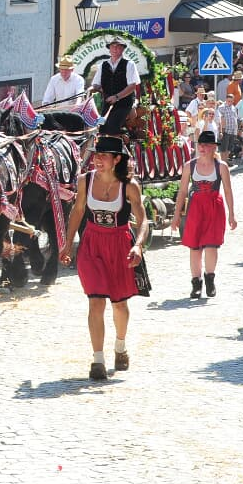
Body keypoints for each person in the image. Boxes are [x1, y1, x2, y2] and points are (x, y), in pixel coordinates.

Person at [59, 135, 149, 380]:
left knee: (119, 304)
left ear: (116, 159)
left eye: (103, 156)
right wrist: (67, 244)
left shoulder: (129, 186)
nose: (97, 160)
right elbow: (78, 211)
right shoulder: (84, 181)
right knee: (96, 301)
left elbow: (143, 221)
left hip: (120, 245)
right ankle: (97, 360)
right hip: (92, 245)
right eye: (96, 155)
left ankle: (120, 347)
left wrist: (138, 246)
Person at [170, 131, 237, 298]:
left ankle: (210, 279)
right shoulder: (189, 166)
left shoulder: (221, 166)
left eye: (207, 145)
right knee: (195, 247)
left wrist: (232, 214)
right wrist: (176, 215)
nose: (203, 148)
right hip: (195, 208)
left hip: (215, 207)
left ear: (214, 147)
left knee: (211, 245)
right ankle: (196, 283)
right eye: (200, 145)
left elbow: (228, 191)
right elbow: (182, 192)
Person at [89, 37, 139, 136]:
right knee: (101, 127)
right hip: (107, 104)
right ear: (109, 49)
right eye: (113, 47)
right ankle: (102, 150)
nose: (115, 49)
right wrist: (101, 89)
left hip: (124, 104)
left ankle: (123, 140)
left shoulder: (129, 64)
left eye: (118, 47)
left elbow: (132, 85)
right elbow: (95, 84)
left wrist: (117, 97)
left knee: (112, 126)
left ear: (122, 49)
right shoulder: (103, 65)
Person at [216, 95, 240, 163]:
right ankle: (222, 162)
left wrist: (236, 130)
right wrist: (221, 131)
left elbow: (235, 118)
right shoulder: (221, 107)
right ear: (226, 100)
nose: (230, 102)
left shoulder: (233, 107)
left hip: (232, 131)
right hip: (225, 130)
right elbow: (219, 119)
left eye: (232, 101)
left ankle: (225, 161)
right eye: (229, 101)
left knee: (229, 148)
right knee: (223, 148)